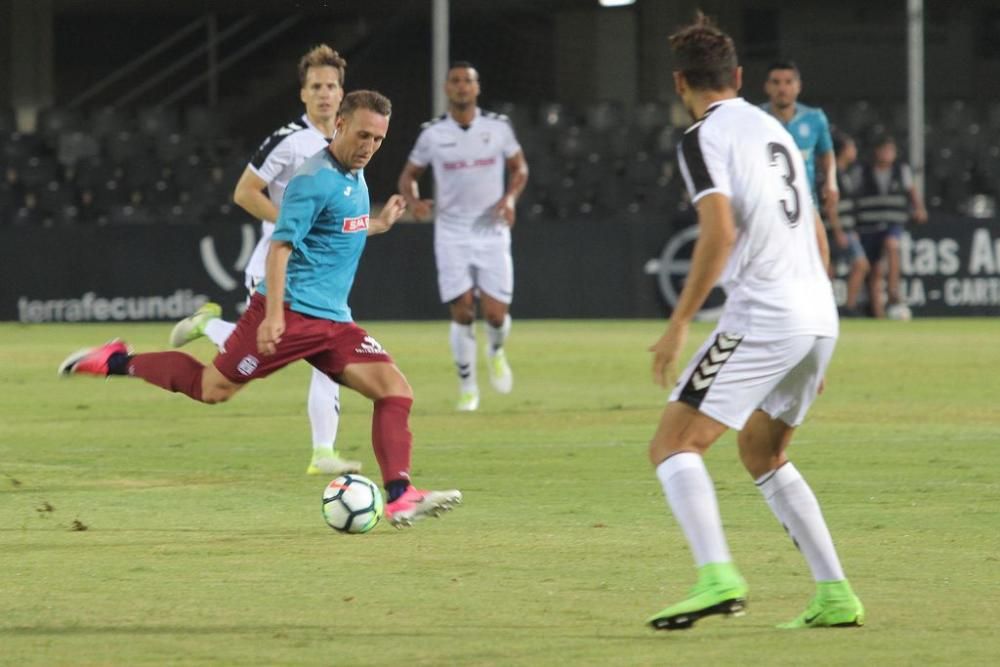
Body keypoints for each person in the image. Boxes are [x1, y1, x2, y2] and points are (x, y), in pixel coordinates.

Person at [59, 91, 462, 527]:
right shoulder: (312, 180)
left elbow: (337, 229)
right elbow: (280, 247)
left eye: (379, 139)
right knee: (211, 389)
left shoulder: (356, 176)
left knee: (395, 391)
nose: (369, 146)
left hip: (334, 322)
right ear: (340, 125)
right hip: (288, 314)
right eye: (363, 135)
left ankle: (401, 496)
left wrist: (378, 224)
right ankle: (118, 360)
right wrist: (272, 316)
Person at [645, 14, 864, 631]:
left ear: (679, 82)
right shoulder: (776, 130)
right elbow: (815, 226)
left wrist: (680, 321)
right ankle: (835, 594)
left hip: (765, 313)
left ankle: (717, 575)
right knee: (760, 450)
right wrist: (814, 337)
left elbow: (719, 232)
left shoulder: (703, 136)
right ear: (739, 77)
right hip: (815, 313)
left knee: (672, 444)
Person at [169, 44, 357, 476]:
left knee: (328, 352)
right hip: (275, 264)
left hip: (319, 270)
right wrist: (291, 223)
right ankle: (209, 326)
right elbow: (244, 192)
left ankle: (322, 452)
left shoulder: (348, 140)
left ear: (341, 92)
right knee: (252, 355)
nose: (325, 94)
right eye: (316, 87)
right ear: (303, 94)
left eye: (331, 86)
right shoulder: (288, 141)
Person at [397, 61, 529, 412]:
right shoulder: (432, 134)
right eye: (455, 81)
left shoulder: (498, 127)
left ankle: (496, 350)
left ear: (477, 88)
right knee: (463, 311)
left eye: (467, 81)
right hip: (452, 230)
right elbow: (409, 175)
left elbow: (520, 168)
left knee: (497, 314)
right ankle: (468, 386)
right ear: (446, 88)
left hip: (491, 228)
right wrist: (413, 201)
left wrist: (510, 198)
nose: (461, 87)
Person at [854, 134, 928, 319]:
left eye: (891, 151)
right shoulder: (862, 172)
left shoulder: (901, 170)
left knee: (891, 244)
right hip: (868, 226)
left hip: (892, 223)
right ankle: (878, 315)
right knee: (875, 270)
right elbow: (853, 196)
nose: (888, 154)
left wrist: (919, 209)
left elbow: (912, 192)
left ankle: (894, 291)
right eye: (884, 150)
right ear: (876, 152)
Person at [760, 60, 838, 227]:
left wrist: (831, 181)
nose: (782, 89)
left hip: (807, 203)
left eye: (788, 82)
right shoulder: (756, 118)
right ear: (767, 86)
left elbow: (826, 152)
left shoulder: (815, 118)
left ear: (798, 86)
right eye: (776, 82)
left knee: (818, 250)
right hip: (766, 206)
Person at [829, 131, 870, 315]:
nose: (854, 150)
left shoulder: (844, 172)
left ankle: (839, 308)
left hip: (845, 229)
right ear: (843, 150)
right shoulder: (833, 173)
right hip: (837, 231)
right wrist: (838, 231)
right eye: (851, 147)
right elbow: (831, 205)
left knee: (829, 270)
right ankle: (848, 307)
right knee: (859, 265)